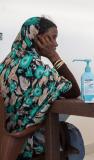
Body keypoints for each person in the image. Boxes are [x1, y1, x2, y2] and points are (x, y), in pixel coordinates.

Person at [0, 17, 85, 160]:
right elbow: (74, 91)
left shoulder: (6, 63)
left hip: (5, 139)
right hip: (24, 142)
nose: (55, 43)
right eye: (51, 38)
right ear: (36, 38)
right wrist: (54, 56)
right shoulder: (35, 68)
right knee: (72, 133)